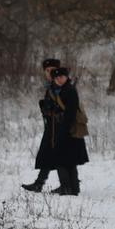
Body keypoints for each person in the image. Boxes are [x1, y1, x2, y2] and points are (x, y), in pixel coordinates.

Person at [23, 61, 87, 195]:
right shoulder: (52, 88)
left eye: (52, 71)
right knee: (55, 156)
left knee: (64, 158)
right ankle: (51, 184)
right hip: (53, 127)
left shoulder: (67, 89)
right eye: (47, 71)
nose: (51, 74)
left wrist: (63, 126)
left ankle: (67, 186)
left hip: (65, 128)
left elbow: (69, 111)